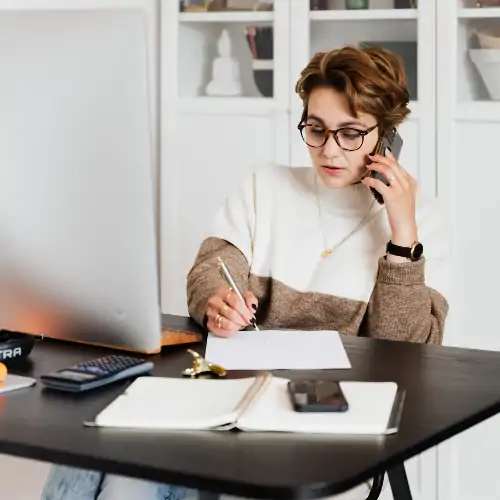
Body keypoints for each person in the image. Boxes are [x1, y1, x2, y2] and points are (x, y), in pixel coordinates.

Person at [40, 45, 451, 500]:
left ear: (387, 135)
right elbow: (212, 269)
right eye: (315, 129)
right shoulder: (267, 185)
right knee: (109, 451)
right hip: (227, 401)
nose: (329, 149)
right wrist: (215, 300)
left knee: (129, 469)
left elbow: (407, 353)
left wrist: (401, 236)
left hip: (327, 425)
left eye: (350, 133)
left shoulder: (419, 222)